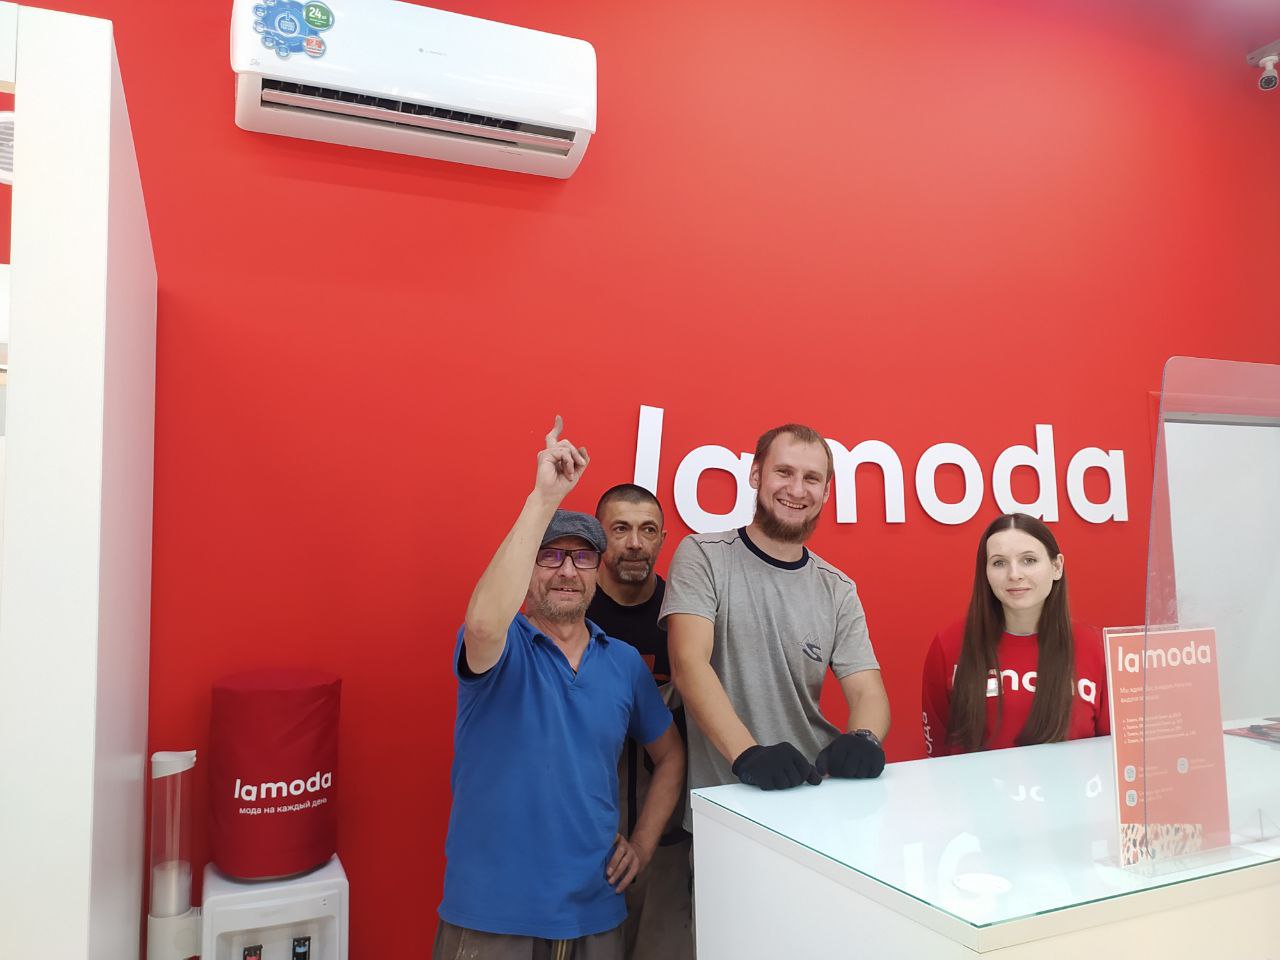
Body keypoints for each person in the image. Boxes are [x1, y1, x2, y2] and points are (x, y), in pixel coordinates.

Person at [435, 418, 685, 960]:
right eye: (550, 556)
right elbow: (483, 623)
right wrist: (543, 499)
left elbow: (670, 756)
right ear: (528, 569)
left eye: (582, 557)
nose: (567, 571)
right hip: (492, 918)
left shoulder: (622, 663)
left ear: (597, 570)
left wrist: (642, 845)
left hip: (597, 915)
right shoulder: (501, 649)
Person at [663, 423, 890, 818]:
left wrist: (865, 738)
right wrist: (747, 754)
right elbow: (688, 664)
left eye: (812, 478)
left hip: (817, 803)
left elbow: (867, 691)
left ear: (826, 492)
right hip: (727, 809)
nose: (797, 489)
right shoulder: (703, 556)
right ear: (756, 475)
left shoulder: (837, 588)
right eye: (784, 472)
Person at [586, 485, 692, 960]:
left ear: (663, 539)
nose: (635, 543)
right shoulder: (572, 608)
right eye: (620, 529)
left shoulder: (684, 617)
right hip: (586, 828)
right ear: (598, 536)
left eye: (648, 530)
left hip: (665, 832)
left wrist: (650, 839)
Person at [921, 512, 1109, 757]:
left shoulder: (1097, 647)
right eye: (999, 563)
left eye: (1029, 560)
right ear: (985, 572)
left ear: (1056, 567)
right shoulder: (948, 645)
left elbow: (1113, 751)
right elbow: (938, 754)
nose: (1014, 574)